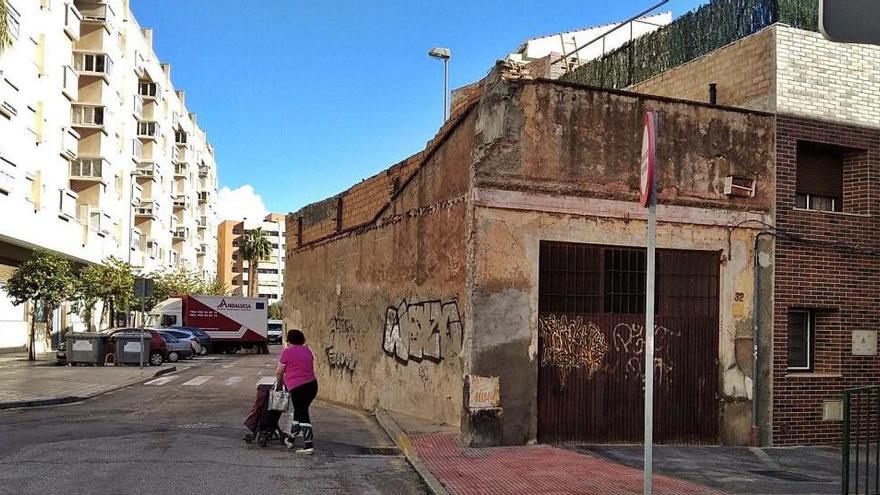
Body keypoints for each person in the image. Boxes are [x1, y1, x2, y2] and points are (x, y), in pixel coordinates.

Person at [275, 329, 318, 454]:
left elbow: (279, 372)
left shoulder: (287, 352)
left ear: (289, 340)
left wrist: (279, 384)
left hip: (298, 387)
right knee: (299, 412)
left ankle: (308, 445)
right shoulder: (307, 350)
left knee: (303, 413)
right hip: (312, 385)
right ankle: (291, 439)